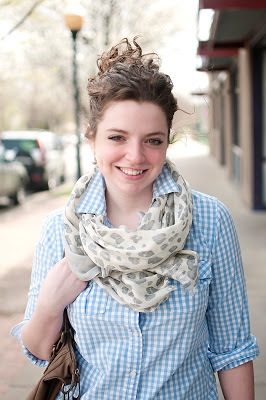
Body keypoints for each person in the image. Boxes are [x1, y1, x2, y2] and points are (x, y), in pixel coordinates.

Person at [12, 37, 259, 399]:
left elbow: (232, 351)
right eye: (117, 137)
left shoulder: (210, 221)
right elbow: (37, 350)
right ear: (92, 140)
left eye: (153, 141)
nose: (135, 156)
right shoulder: (62, 229)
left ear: (167, 142)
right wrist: (50, 304)